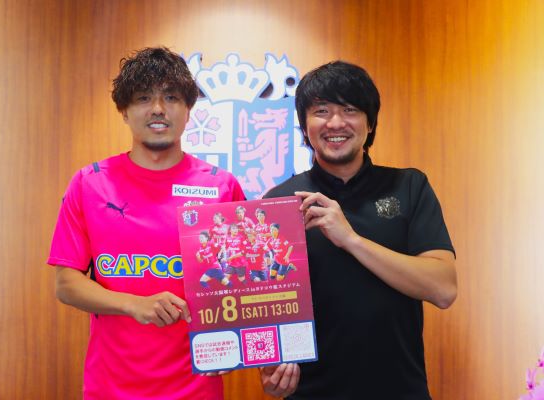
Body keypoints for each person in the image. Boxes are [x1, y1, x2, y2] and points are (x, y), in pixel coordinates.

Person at [48, 47, 245, 400]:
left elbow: (244, 284)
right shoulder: (90, 183)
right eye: (143, 98)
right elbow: (66, 284)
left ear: (188, 110)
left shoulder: (221, 187)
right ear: (124, 111)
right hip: (110, 389)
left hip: (196, 389)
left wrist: (234, 342)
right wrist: (133, 304)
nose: (157, 108)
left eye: (171, 97)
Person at [260, 61, 457, 399]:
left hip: (400, 392)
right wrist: (271, 370)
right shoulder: (279, 202)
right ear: (304, 126)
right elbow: (266, 309)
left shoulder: (409, 187)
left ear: (370, 123)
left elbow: (443, 289)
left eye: (350, 109)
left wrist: (351, 240)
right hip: (311, 393)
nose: (335, 122)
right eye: (321, 111)